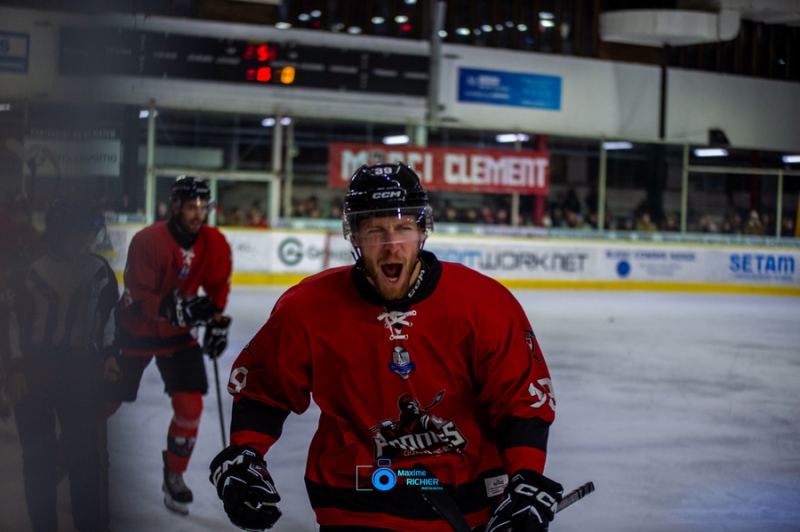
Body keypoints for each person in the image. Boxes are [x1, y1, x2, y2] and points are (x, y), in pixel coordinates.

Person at [209, 163, 563, 532]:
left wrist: (525, 478)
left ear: (422, 231)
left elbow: (519, 395)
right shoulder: (306, 309)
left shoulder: (485, 303)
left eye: (403, 229)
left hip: (468, 495)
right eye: (375, 231)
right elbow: (265, 388)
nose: (392, 244)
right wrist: (246, 454)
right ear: (355, 238)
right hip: (359, 491)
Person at [110, 176, 233, 516]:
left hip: (178, 336)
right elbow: (135, 298)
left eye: (203, 207)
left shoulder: (214, 242)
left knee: (190, 407)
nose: (198, 214)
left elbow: (218, 286)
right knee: (106, 401)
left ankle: (174, 475)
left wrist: (218, 321)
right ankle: (70, 453)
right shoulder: (149, 241)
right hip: (135, 332)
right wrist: (172, 308)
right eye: (192, 206)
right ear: (175, 206)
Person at [4, 199, 120, 532]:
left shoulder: (99, 270)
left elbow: (110, 318)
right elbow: (10, 322)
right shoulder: (29, 269)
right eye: (78, 235)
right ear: (59, 233)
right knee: (37, 459)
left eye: (91, 235)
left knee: (85, 460)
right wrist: (14, 369)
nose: (86, 242)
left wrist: (111, 354)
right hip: (34, 371)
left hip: (80, 371)